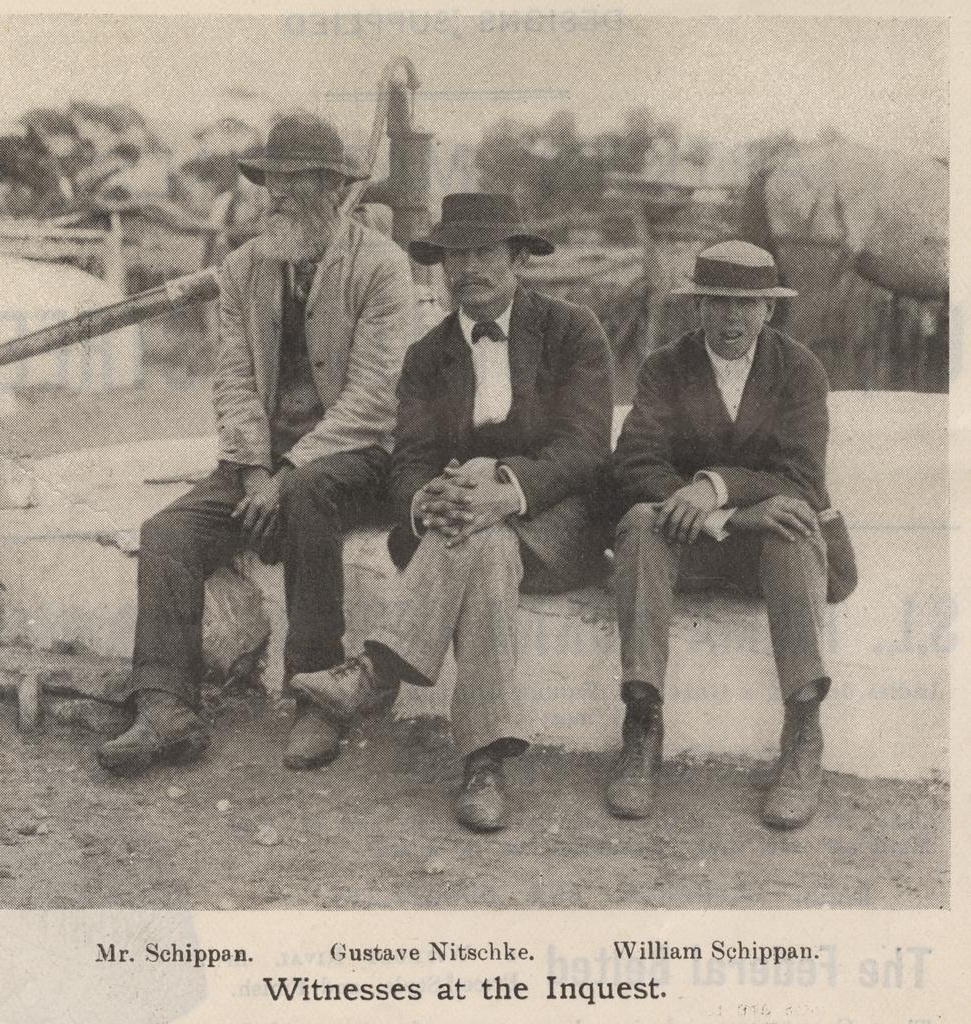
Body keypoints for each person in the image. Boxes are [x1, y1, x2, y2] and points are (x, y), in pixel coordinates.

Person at [98, 112, 418, 775]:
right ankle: (166, 708)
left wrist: (289, 469)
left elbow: (374, 398)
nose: (280, 195)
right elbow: (235, 382)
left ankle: (315, 695)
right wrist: (250, 473)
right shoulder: (242, 269)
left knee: (306, 494)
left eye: (299, 180)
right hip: (259, 468)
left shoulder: (382, 268)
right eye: (273, 180)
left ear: (335, 187)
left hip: (353, 459)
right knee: (167, 532)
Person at [290, 193, 612, 832]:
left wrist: (506, 486)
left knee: (487, 530)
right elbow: (408, 463)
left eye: (485, 251)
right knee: (486, 549)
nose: (468, 268)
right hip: (458, 530)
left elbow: (585, 451)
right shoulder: (424, 355)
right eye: (453, 255)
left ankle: (376, 671)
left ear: (518, 256)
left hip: (554, 525)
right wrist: (426, 499)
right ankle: (483, 768)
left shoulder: (574, 331)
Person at [605, 239, 856, 829]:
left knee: (793, 524)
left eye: (748, 305)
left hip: (769, 558)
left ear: (769, 310)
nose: (732, 318)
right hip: (688, 548)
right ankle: (642, 725)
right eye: (718, 302)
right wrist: (725, 512)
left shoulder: (798, 370)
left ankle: (802, 733)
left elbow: (801, 480)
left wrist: (714, 487)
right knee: (642, 522)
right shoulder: (666, 367)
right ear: (697, 308)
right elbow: (635, 465)